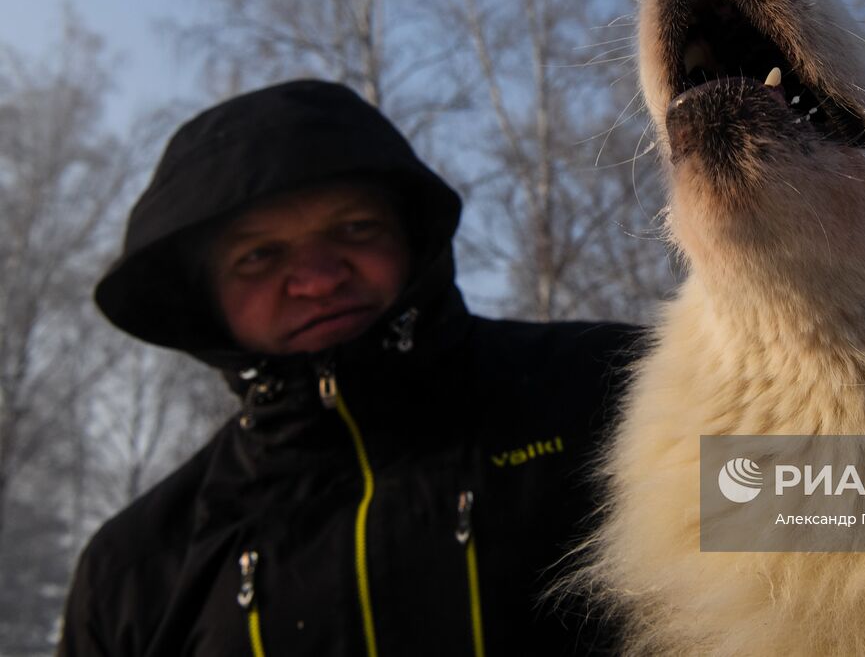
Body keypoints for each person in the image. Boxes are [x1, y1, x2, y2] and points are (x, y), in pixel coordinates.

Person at [57, 79, 635, 655]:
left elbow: (733, 546)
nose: (318, 278)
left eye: (355, 229)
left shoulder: (622, 386)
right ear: (205, 302)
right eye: (259, 255)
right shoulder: (131, 569)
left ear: (412, 240)